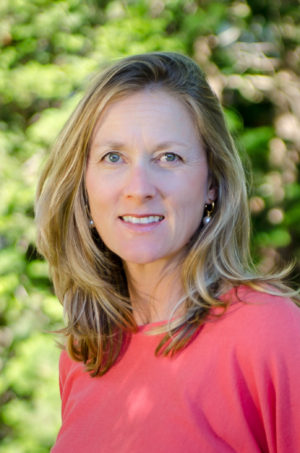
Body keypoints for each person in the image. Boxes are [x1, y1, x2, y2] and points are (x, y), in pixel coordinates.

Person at [35, 52, 300, 453]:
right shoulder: (85, 354)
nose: (139, 187)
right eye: (113, 157)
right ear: (84, 185)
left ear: (212, 183)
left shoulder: (269, 332)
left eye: (169, 157)